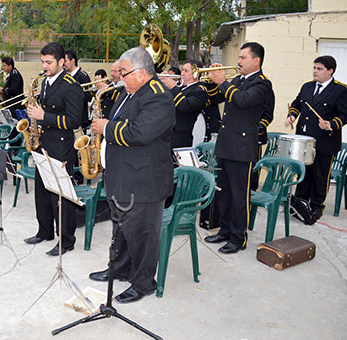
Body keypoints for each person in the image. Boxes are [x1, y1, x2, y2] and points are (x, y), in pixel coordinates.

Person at [88, 46, 174, 303]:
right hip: (122, 175)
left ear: (142, 72)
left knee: (143, 235)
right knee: (122, 229)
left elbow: (139, 132)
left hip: (144, 181)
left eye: (124, 72)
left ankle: (143, 282)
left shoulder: (159, 96)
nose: (120, 77)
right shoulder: (128, 91)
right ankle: (121, 268)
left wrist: (107, 127)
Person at [204, 42, 273, 254]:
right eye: (239, 57)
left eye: (243, 57)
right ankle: (225, 230)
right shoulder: (237, 80)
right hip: (226, 144)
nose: (238, 61)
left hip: (242, 147)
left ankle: (238, 237)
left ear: (256, 60)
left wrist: (223, 81)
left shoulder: (262, 84)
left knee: (238, 195)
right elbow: (216, 98)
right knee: (224, 192)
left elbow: (242, 100)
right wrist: (212, 81)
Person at [23, 42, 84, 256]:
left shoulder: (71, 85)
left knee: (60, 196)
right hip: (43, 144)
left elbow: (75, 120)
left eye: (49, 62)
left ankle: (66, 240)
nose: (44, 66)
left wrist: (43, 116)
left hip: (60, 147)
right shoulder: (46, 83)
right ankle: (45, 231)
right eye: (42, 62)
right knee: (42, 191)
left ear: (62, 62)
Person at [285, 55, 347, 220]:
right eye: (314, 67)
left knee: (320, 176)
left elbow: (344, 115)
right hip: (305, 140)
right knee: (304, 173)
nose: (315, 71)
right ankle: (300, 203)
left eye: (319, 68)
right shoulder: (307, 86)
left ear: (330, 71)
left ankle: (316, 206)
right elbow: (296, 104)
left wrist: (331, 124)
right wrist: (292, 116)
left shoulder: (341, 90)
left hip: (325, 141)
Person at [161, 59, 208, 148]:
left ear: (196, 74)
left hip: (180, 140)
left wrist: (172, 87)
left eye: (186, 71)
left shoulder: (199, 91)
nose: (182, 73)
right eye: (182, 70)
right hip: (166, 137)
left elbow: (185, 106)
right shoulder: (181, 88)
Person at [64, 50, 91, 128]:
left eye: (65, 61)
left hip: (80, 121)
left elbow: (89, 96)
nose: (63, 64)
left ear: (72, 60)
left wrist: (74, 95)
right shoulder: (64, 77)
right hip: (67, 119)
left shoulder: (82, 76)